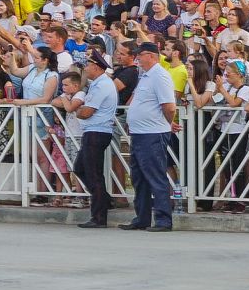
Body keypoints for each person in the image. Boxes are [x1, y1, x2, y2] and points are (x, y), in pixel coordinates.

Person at [121, 40, 177, 231]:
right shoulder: (146, 75)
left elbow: (169, 107)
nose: (137, 57)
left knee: (155, 176)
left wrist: (166, 124)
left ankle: (163, 219)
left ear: (152, 56)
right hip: (140, 132)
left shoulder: (160, 76)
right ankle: (142, 217)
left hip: (152, 133)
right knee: (139, 178)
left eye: (141, 54)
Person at [61, 52, 119, 229]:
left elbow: (86, 112)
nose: (85, 69)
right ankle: (104, 199)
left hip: (97, 131)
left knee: (93, 173)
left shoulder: (102, 85)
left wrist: (78, 111)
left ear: (96, 67)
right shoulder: (98, 84)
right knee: (80, 168)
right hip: (93, 131)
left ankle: (99, 216)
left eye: (88, 65)